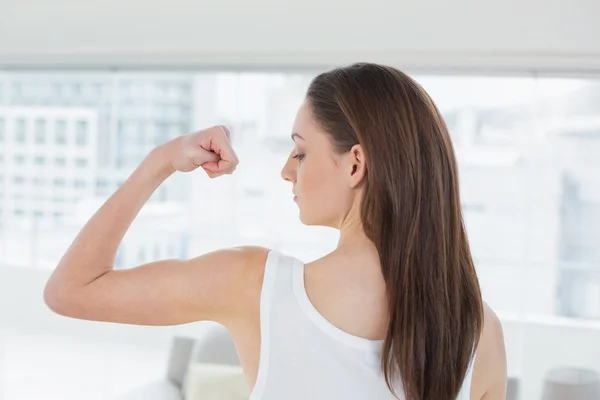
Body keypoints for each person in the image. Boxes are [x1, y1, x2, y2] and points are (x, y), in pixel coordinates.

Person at [44, 63, 507, 400]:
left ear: (356, 164)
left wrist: (161, 160)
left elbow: (71, 290)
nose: (288, 171)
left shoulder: (254, 285)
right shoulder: (480, 332)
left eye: (300, 152)